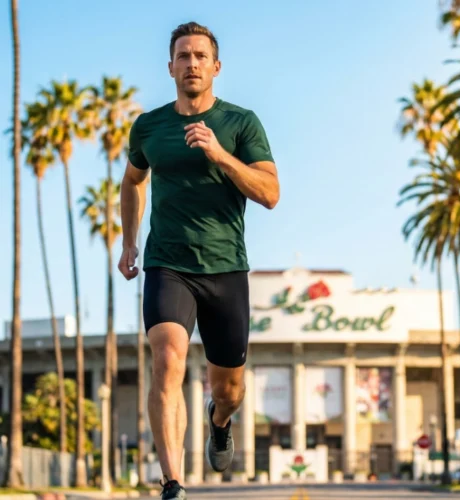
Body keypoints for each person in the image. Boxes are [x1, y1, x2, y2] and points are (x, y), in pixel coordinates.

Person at [118, 21, 280, 500]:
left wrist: (220, 155)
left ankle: (220, 420)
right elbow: (132, 181)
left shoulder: (240, 123)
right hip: (167, 263)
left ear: (216, 66)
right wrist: (130, 241)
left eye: (200, 56)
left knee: (228, 388)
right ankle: (173, 483)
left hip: (226, 267)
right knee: (167, 359)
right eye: (183, 56)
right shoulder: (149, 126)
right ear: (170, 66)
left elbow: (270, 193)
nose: (191, 64)